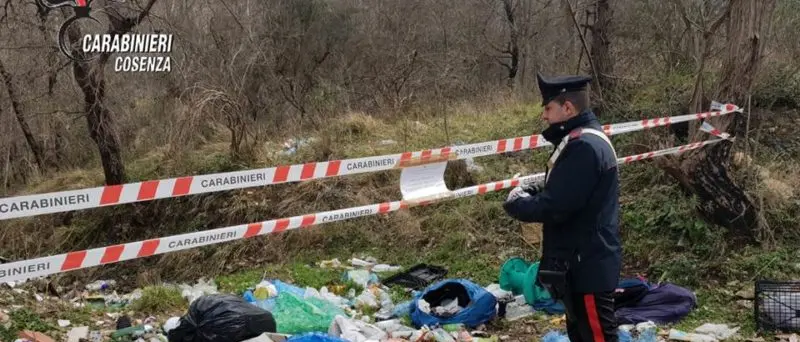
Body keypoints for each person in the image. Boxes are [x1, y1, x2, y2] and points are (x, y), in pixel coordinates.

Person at [502, 73, 622, 342]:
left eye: (548, 108)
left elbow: (557, 206)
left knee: (598, 336)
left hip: (587, 265)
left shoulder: (584, 147)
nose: (544, 116)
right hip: (581, 262)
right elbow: (567, 189)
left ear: (567, 108)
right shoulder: (583, 140)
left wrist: (517, 205)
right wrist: (536, 187)